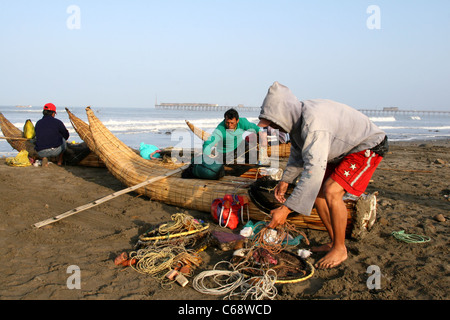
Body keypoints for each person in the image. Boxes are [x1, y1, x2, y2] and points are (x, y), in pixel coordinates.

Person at [257, 82, 388, 269]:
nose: (274, 128)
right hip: (340, 149)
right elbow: (297, 153)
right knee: (318, 195)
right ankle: (334, 241)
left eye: (274, 123)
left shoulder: (314, 124)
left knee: (332, 191)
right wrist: (286, 180)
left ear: (284, 115)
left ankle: (341, 249)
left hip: (367, 145)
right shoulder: (296, 122)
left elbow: (313, 171)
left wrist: (285, 210)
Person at [202, 108, 267, 164]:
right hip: (226, 151)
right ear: (225, 120)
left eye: (232, 123)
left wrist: (263, 139)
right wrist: (206, 157)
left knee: (253, 153)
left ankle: (248, 167)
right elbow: (208, 143)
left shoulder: (242, 122)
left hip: (239, 144)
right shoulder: (220, 129)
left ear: (237, 121)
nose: (229, 125)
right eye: (227, 122)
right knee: (228, 165)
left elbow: (255, 128)